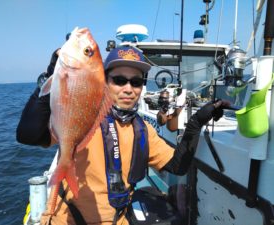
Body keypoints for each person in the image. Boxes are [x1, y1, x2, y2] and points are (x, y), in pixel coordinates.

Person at [16, 45, 229, 225]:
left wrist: (196, 122)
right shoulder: (84, 116)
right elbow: (28, 135)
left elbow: (178, 166)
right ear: (104, 81)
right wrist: (53, 75)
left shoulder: (143, 129)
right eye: (119, 80)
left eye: (136, 82)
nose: (129, 88)